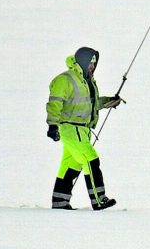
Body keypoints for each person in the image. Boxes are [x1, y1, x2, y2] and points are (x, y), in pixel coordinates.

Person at [46, 47, 123, 210]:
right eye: (90, 63)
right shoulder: (65, 80)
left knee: (71, 165)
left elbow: (91, 103)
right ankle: (99, 199)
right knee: (90, 159)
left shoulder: (88, 81)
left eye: (94, 63)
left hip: (82, 130)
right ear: (82, 61)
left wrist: (109, 101)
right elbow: (54, 103)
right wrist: (52, 125)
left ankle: (59, 201)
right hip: (71, 128)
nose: (92, 66)